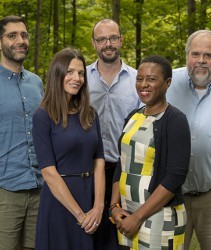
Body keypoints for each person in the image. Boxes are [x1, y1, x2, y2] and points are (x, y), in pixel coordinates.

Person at [110, 55, 191, 250]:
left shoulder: (175, 120)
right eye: (140, 78)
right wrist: (114, 207)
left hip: (158, 219)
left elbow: (175, 177)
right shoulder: (133, 116)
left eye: (152, 79)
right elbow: (122, 163)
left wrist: (138, 217)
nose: (144, 84)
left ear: (167, 83)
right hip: (126, 216)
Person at [32, 47, 109, 250]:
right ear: (58, 73)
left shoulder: (90, 114)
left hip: (92, 197)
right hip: (61, 203)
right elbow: (48, 173)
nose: (77, 78)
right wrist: (80, 216)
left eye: (81, 73)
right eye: (70, 72)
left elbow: (99, 161)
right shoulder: (43, 116)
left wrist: (99, 207)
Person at [166, 30, 211, 250]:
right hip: (171, 195)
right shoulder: (165, 83)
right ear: (186, 55)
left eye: (208, 55)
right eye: (195, 54)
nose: (201, 61)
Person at [0, 16, 44, 250]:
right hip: (2, 190)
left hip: (38, 189)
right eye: (12, 36)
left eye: (24, 35)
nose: (20, 40)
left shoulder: (36, 83)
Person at [86, 18, 141, 247]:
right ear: (93, 43)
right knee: (91, 232)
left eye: (113, 38)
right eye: (102, 39)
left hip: (127, 171)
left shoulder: (138, 80)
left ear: (121, 40)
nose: (108, 43)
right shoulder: (80, 78)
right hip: (88, 171)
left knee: (123, 237)